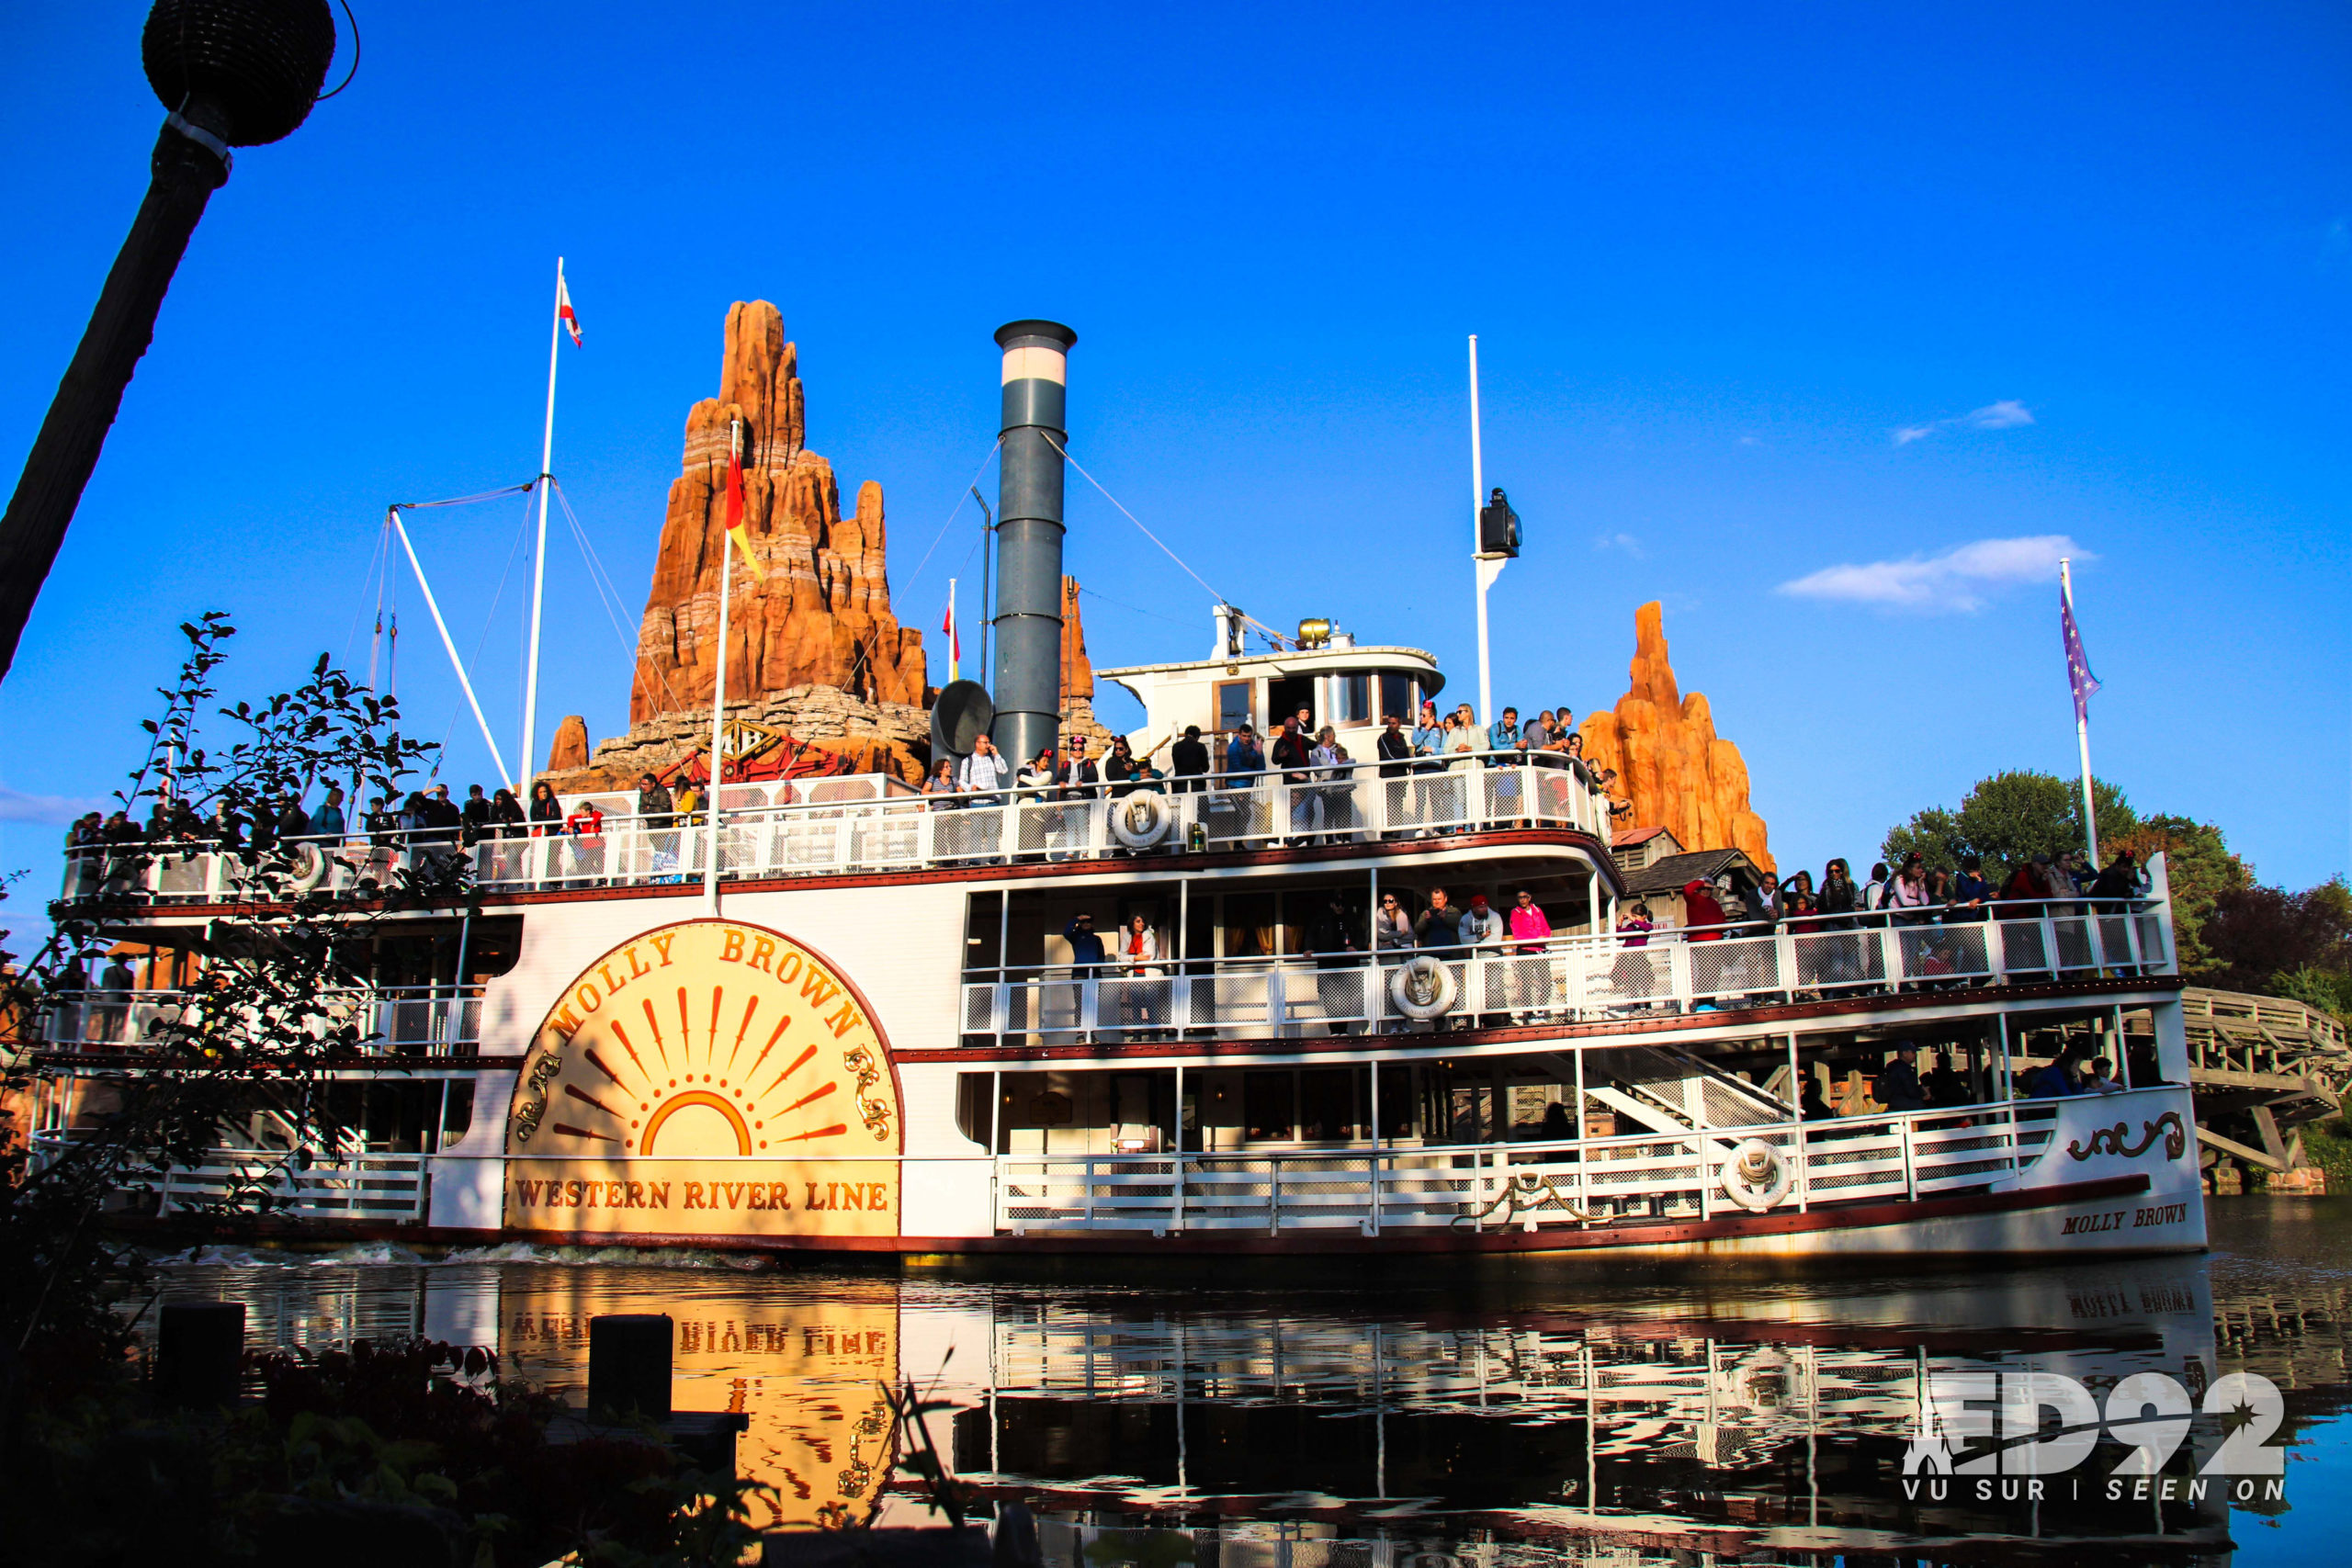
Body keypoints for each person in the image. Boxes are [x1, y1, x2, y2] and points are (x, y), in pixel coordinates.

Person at [1306, 894, 1362, 1035]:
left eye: (1342, 904)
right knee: (1330, 998)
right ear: (1331, 904)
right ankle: (1334, 1030)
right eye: (1337, 904)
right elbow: (1312, 935)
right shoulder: (1322, 919)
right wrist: (1309, 948)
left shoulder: (1352, 919)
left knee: (1346, 997)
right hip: (1328, 965)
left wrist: (1355, 946)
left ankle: (1343, 1029)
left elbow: (1361, 936)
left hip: (1347, 965)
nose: (1340, 907)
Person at [1458, 892, 1505, 1027]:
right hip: (1474, 960)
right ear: (1474, 908)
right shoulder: (1465, 919)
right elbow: (1464, 940)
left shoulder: (1495, 917)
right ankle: (1474, 1021)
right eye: (1480, 908)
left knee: (1494, 989)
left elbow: (1495, 940)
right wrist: (1480, 937)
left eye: (1485, 907)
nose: (1483, 910)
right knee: (1474, 989)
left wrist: (1475, 943)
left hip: (1493, 958)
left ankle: (1497, 1021)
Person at [1507, 888, 1554, 1022]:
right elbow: (1518, 933)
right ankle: (1529, 1014)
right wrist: (1537, 937)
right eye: (1519, 897)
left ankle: (1541, 1010)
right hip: (1525, 949)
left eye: (1525, 897)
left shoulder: (1537, 910)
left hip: (1540, 949)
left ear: (1530, 897)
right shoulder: (1515, 913)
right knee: (1526, 983)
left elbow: (1546, 928)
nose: (1522, 900)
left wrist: (1544, 937)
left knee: (1545, 981)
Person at [1064, 912, 1107, 1043]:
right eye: (1084, 922)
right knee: (1080, 1005)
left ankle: (1091, 1033)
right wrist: (1076, 919)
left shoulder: (1096, 939)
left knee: (1092, 1005)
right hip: (1079, 974)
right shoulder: (1076, 937)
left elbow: (1101, 957)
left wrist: (1095, 967)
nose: (1086, 924)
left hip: (1094, 975)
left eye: (1089, 921)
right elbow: (1066, 932)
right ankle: (1080, 1034)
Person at [1270, 717, 1314, 842]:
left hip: (1304, 782)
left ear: (1297, 728)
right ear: (1285, 728)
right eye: (1288, 728)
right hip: (1290, 784)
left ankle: (1305, 840)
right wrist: (1280, 756)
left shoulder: (1302, 739)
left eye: (1293, 728)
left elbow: (1316, 746)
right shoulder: (1281, 742)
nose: (1291, 730)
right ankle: (1290, 840)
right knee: (1289, 813)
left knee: (1308, 810)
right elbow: (1274, 760)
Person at [1118, 911, 1162, 1035]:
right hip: (1135, 974)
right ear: (1132, 923)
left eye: (1143, 921)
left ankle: (1153, 1035)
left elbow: (1148, 956)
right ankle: (1137, 1035)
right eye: (1138, 921)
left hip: (1149, 974)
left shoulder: (1148, 935)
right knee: (1136, 1006)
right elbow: (1121, 956)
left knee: (1151, 1005)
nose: (1141, 924)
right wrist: (1136, 958)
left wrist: (1130, 957)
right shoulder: (1127, 936)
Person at [1375, 715, 1413, 838]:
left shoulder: (1401, 739)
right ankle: (1387, 832)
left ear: (1399, 724)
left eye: (1393, 723)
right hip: (1389, 775)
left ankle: (1397, 832)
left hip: (1400, 775)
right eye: (1389, 723)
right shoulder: (1383, 738)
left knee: (1398, 803)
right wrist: (1404, 762)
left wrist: (1408, 765)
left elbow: (1406, 754)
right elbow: (1388, 755)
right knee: (1390, 804)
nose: (1391, 725)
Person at [637, 772, 677, 878]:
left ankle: (668, 874)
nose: (643, 787)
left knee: (665, 852)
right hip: (651, 826)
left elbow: (665, 809)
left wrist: (649, 809)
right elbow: (641, 810)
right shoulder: (643, 793)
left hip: (664, 827)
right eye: (642, 784)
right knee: (658, 851)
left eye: (645, 784)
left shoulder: (662, 792)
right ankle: (658, 874)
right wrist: (652, 811)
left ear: (653, 784)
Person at [958, 733, 1011, 805]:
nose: (988, 745)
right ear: (977, 744)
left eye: (989, 743)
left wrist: (996, 754)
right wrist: (971, 788)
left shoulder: (992, 758)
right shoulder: (967, 761)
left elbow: (1003, 770)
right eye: (985, 743)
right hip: (977, 802)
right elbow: (962, 781)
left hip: (993, 801)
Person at [564, 795, 606, 884]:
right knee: (587, 866)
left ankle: (601, 881)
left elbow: (599, 814)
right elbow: (571, 817)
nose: (581, 813)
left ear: (588, 812)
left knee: (599, 863)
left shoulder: (595, 815)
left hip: (597, 844)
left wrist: (593, 824)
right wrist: (570, 826)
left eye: (582, 811)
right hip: (587, 846)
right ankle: (585, 884)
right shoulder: (582, 818)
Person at [1876, 1045, 1928, 1112]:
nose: (1915, 1055)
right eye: (1913, 1052)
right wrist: (1923, 1092)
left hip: (1895, 1105)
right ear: (1904, 1053)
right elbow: (1910, 1090)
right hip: (1907, 1106)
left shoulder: (1892, 1068)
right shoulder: (1904, 1069)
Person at [1170, 725, 1210, 794]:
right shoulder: (1200, 746)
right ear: (1197, 737)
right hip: (1196, 783)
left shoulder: (1176, 746)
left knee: (1183, 804)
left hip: (1179, 783)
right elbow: (1206, 768)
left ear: (1185, 734)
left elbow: (1176, 764)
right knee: (1202, 804)